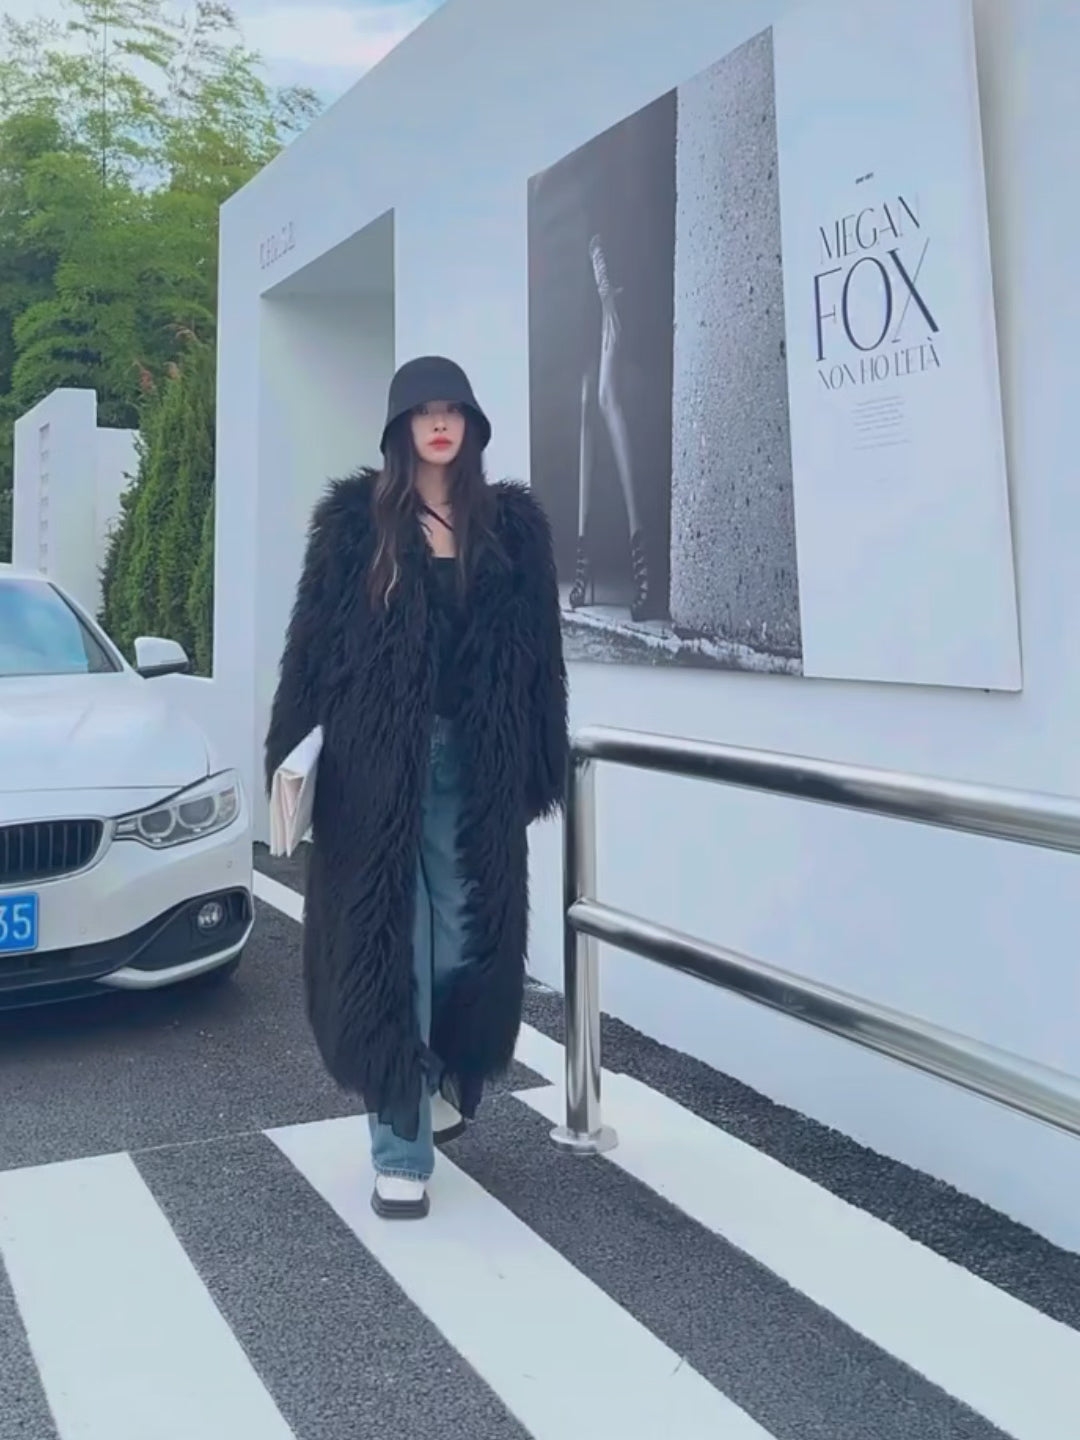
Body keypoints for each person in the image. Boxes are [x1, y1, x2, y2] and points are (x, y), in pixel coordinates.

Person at [264, 355, 568, 1220]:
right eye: (424, 412)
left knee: (464, 938)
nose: (440, 424)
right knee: (388, 949)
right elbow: (310, 648)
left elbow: (540, 658)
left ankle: (442, 1077)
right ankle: (400, 1145)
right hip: (375, 764)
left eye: (454, 410)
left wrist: (540, 758)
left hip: (474, 765)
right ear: (400, 427)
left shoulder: (511, 524)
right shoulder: (356, 523)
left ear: (472, 423)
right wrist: (291, 753)